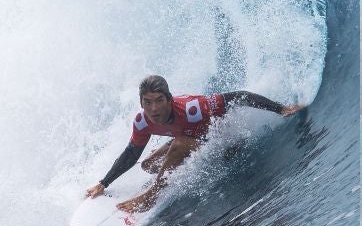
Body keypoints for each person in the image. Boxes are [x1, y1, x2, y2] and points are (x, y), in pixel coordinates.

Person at [85, 75, 303, 213]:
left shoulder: (194, 108)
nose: (153, 109)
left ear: (169, 99)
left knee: (179, 145)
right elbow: (131, 154)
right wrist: (103, 183)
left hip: (221, 142)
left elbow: (241, 96)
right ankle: (172, 155)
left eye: (159, 101)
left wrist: (281, 109)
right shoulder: (143, 121)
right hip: (190, 138)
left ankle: (152, 195)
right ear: (141, 102)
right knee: (148, 165)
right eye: (147, 102)